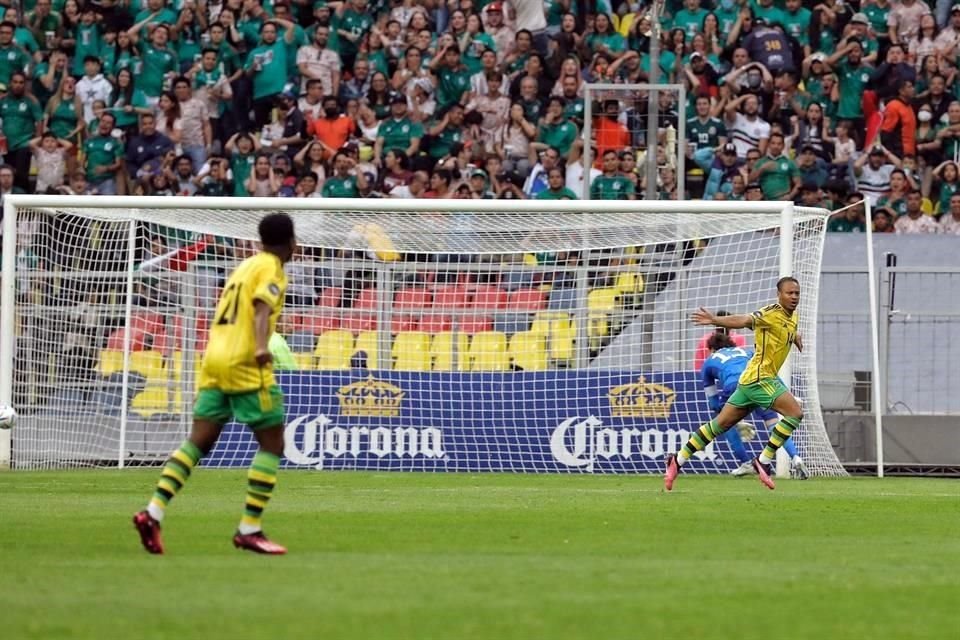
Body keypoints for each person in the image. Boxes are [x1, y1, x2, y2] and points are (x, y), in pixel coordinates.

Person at [133, 213, 297, 555]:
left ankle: (153, 512)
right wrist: (261, 346)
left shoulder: (244, 267)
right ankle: (249, 528)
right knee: (272, 443)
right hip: (244, 362)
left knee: (199, 441)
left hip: (213, 359)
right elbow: (260, 307)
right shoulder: (271, 268)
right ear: (291, 242)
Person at [665, 276, 805, 491]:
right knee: (794, 413)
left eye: (796, 293)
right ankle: (764, 461)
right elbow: (744, 320)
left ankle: (678, 459)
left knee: (719, 425)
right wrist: (715, 320)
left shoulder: (791, 317)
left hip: (748, 381)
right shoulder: (769, 313)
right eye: (789, 293)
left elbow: (786, 329)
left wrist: (794, 337)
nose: (794, 296)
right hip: (761, 379)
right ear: (779, 294)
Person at [700, 332, 809, 479]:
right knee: (773, 424)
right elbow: (769, 373)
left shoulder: (709, 362)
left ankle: (746, 463)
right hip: (758, 384)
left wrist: (732, 419)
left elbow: (713, 401)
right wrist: (787, 394)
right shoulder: (747, 352)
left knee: (724, 423)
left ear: (712, 349)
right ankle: (796, 457)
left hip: (735, 385)